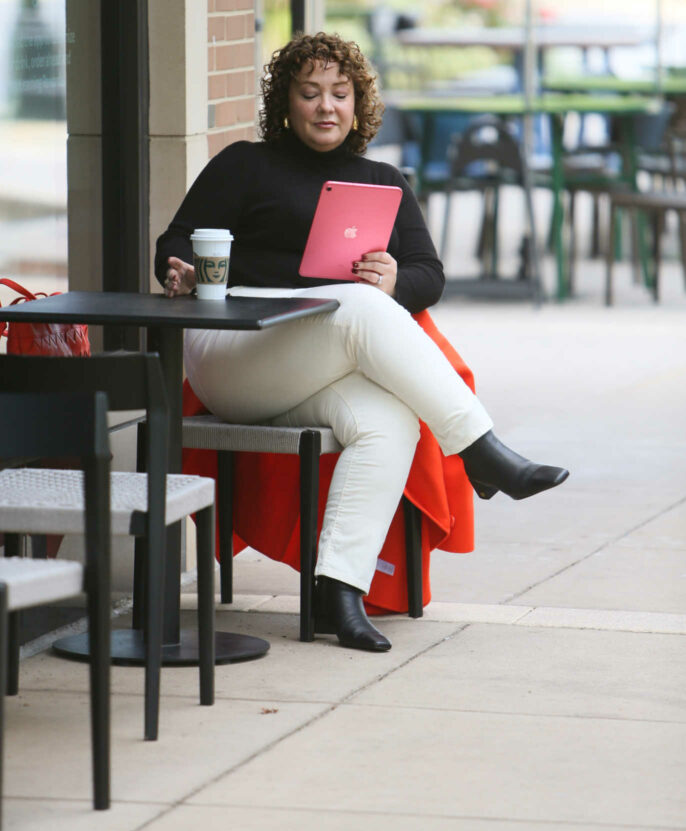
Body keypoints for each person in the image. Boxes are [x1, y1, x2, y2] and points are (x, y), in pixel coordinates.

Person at [155, 32, 568, 653]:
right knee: (357, 305)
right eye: (310, 93)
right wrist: (181, 270)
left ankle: (339, 593)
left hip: (315, 355)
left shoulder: (383, 180)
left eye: (340, 94)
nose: (326, 106)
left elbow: (430, 276)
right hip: (232, 350)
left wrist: (398, 278)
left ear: (357, 104)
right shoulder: (245, 163)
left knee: (388, 419)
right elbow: (176, 240)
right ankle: (482, 451)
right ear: (287, 104)